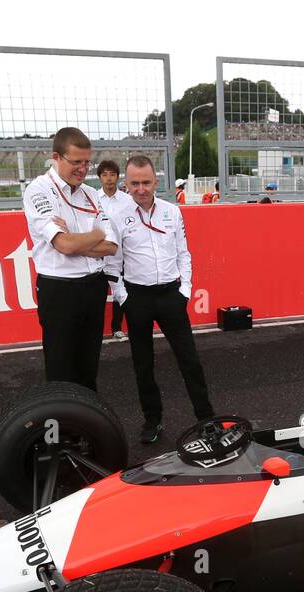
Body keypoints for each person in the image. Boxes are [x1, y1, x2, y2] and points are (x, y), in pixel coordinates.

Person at [116, 154, 215, 444]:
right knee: (143, 365)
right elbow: (113, 265)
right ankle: (152, 420)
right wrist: (124, 298)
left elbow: (184, 252)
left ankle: (207, 419)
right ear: (127, 183)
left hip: (171, 295)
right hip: (138, 298)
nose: (141, 189)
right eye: (135, 183)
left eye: (146, 182)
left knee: (190, 361)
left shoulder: (172, 211)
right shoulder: (117, 217)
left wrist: (185, 290)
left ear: (155, 181)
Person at [21, 127, 117, 392]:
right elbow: (63, 244)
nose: (83, 169)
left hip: (94, 286)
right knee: (62, 371)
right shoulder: (39, 191)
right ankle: (63, 431)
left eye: (87, 162)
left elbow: (110, 246)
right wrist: (93, 234)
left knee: (89, 368)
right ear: (56, 157)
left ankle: (87, 428)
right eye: (76, 162)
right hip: (60, 290)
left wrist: (78, 240)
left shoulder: (90, 193)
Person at [95, 158, 135, 341]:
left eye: (112, 174)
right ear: (99, 178)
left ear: (118, 178)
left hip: (122, 255)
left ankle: (117, 328)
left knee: (122, 292)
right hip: (98, 256)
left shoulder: (128, 200)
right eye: (104, 175)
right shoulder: (93, 199)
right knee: (97, 295)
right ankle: (94, 332)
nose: (109, 179)